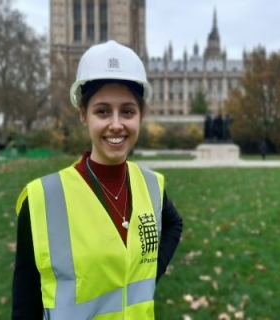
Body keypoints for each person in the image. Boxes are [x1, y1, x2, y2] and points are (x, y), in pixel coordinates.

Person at [11, 40, 183, 319]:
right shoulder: (43, 198)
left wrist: (149, 273)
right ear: (83, 114)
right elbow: (24, 304)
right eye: (102, 111)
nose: (116, 124)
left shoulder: (151, 185)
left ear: (141, 115)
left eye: (127, 111)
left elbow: (175, 224)